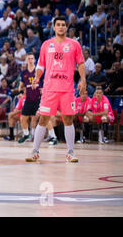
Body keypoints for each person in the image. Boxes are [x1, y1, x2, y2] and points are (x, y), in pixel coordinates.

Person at [26, 16, 86, 163]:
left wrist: (83, 79)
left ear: (66, 27)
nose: (60, 27)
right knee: (43, 119)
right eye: (58, 25)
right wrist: (37, 77)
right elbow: (41, 65)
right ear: (53, 27)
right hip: (49, 88)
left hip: (67, 88)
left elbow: (81, 63)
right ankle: (35, 151)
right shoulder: (46, 45)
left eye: (63, 25)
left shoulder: (74, 44)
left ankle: (71, 152)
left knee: (68, 119)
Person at [18, 53, 42, 143]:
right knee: (23, 118)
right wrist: (20, 93)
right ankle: (26, 134)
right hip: (28, 99)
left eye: (32, 58)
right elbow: (21, 85)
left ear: (35, 60)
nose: (30, 60)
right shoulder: (24, 73)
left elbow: (45, 82)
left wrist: (44, 89)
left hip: (39, 98)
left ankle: (52, 136)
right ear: (26, 60)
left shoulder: (38, 71)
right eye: (29, 59)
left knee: (42, 118)